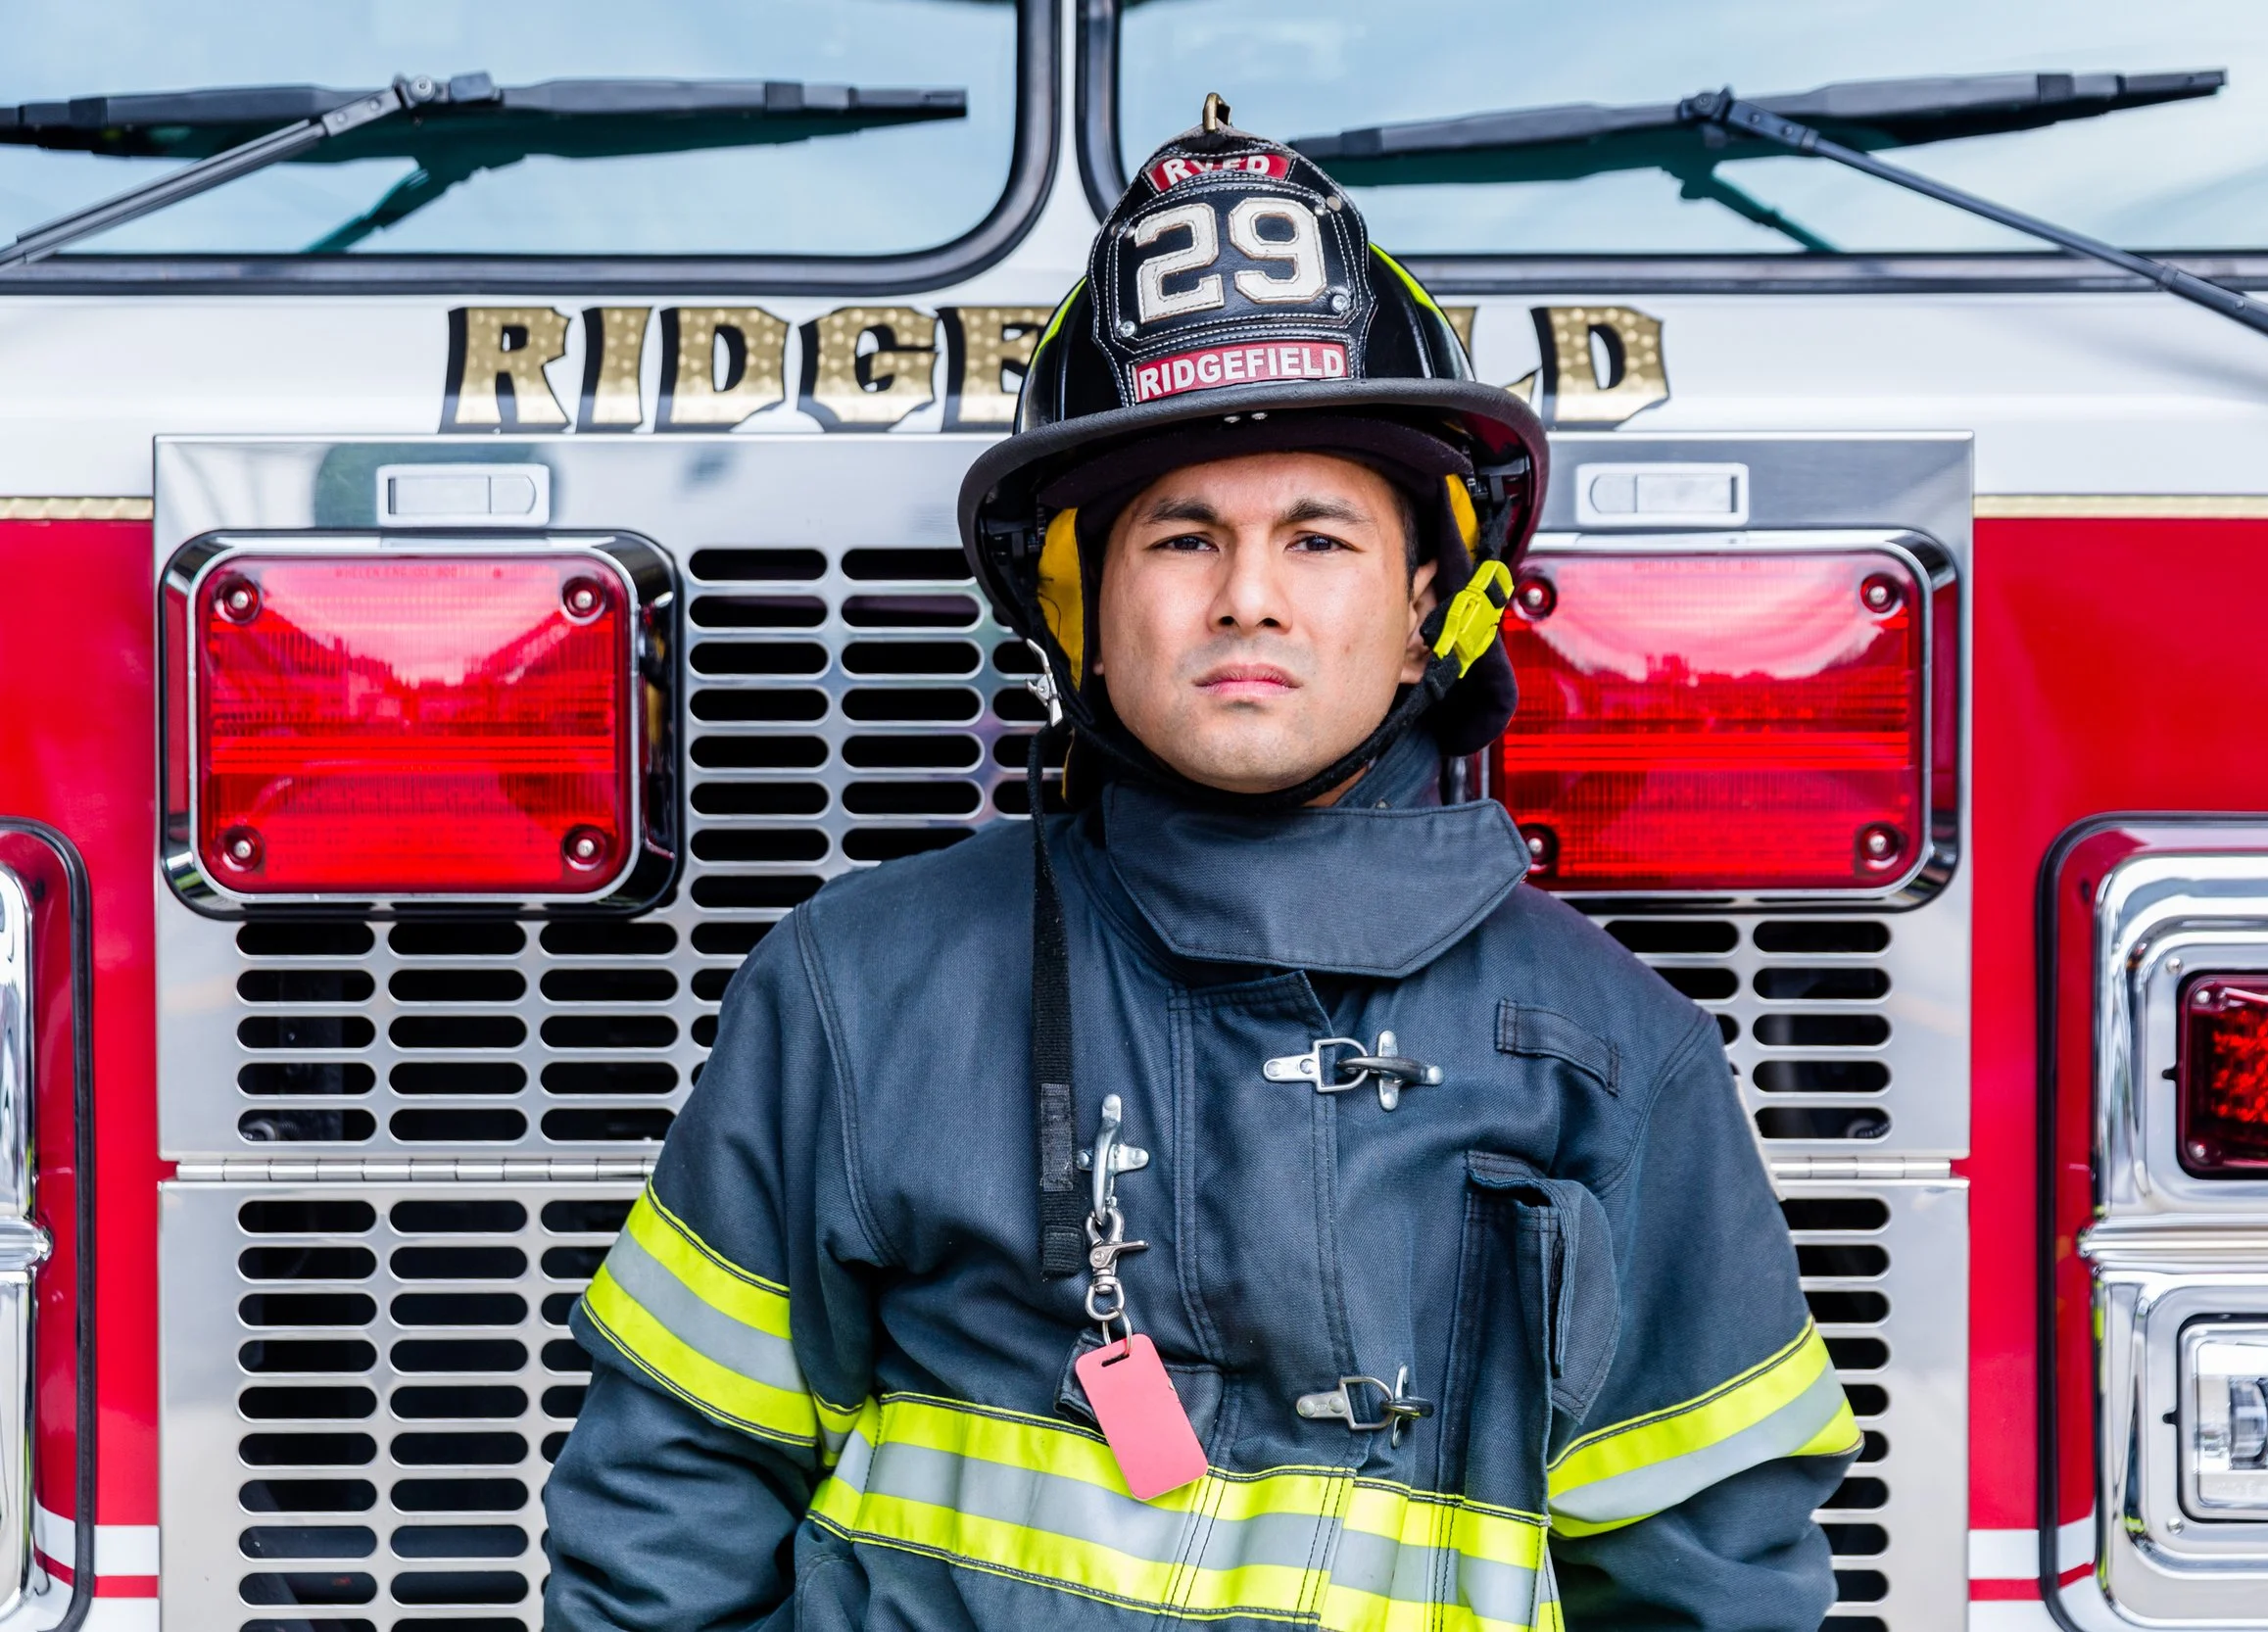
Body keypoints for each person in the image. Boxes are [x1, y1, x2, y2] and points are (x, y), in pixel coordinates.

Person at [543, 99, 1857, 1632]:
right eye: (1179, 539)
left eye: (1318, 537)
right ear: (1077, 605)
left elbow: (1714, 1586)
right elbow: (668, 1507)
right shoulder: (856, 990)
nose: (1249, 598)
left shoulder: (1618, 1064)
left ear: (1431, 597)